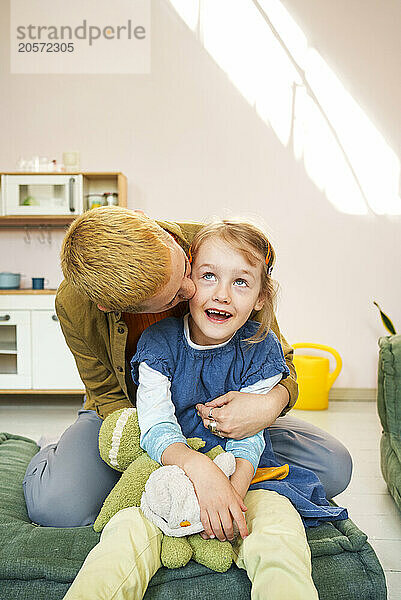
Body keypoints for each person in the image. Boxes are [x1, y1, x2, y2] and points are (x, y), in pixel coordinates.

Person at [63, 220, 347, 599]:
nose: (214, 293)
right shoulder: (153, 341)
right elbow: (149, 420)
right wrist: (198, 472)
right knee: (122, 533)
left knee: (280, 531)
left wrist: (236, 485)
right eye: (206, 277)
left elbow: (253, 432)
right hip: (166, 466)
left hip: (244, 470)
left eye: (241, 283)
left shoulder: (253, 328)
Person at [23, 207, 352, 528]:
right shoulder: (75, 303)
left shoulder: (219, 248)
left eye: (186, 268)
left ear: (146, 222)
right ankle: (57, 450)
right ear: (110, 306)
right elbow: (108, 395)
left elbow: (279, 364)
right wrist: (178, 456)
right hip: (135, 414)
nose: (192, 289)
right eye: (172, 299)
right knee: (57, 507)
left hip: (220, 418)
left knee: (333, 466)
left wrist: (265, 407)